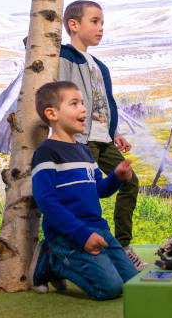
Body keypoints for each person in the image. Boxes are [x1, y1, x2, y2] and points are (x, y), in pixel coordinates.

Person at [58, 0, 147, 270]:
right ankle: (79, 249)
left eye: (102, 23)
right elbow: (59, 95)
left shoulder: (99, 65)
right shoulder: (64, 57)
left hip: (103, 139)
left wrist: (114, 132)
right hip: (80, 139)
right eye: (94, 22)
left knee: (130, 183)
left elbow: (102, 103)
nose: (100, 28)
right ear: (73, 25)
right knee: (83, 195)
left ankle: (123, 245)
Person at [29, 81, 138, 299]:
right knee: (110, 289)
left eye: (82, 103)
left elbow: (99, 189)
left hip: (99, 229)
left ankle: (65, 260)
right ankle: (52, 261)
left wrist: (116, 177)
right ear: (52, 113)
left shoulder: (84, 151)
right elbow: (46, 201)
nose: (83, 109)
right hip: (68, 234)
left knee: (132, 283)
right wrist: (82, 234)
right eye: (74, 103)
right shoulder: (46, 153)